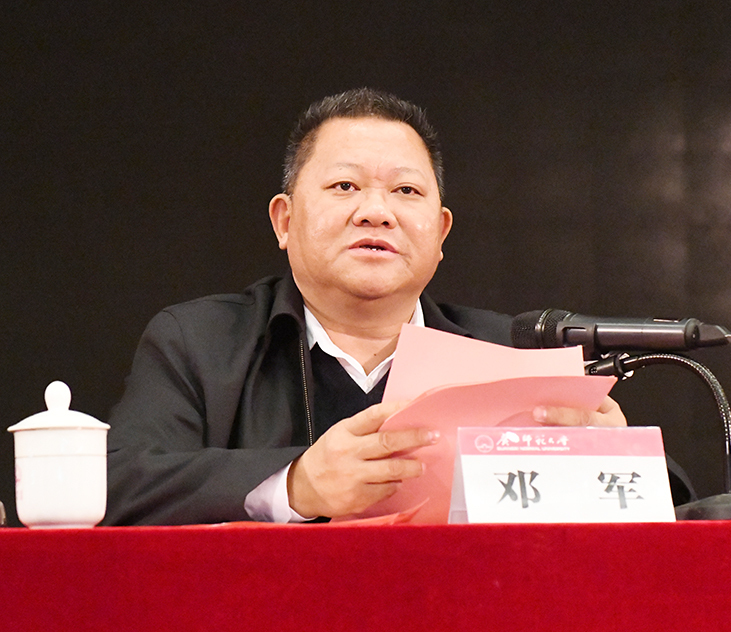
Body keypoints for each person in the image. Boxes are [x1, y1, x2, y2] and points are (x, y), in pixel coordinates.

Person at [104, 88, 693, 525]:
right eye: (345, 186)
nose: (376, 212)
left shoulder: (509, 354)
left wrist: (617, 458)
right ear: (284, 220)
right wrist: (296, 484)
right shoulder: (200, 341)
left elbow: (683, 509)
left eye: (406, 191)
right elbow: (115, 484)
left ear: (440, 233)